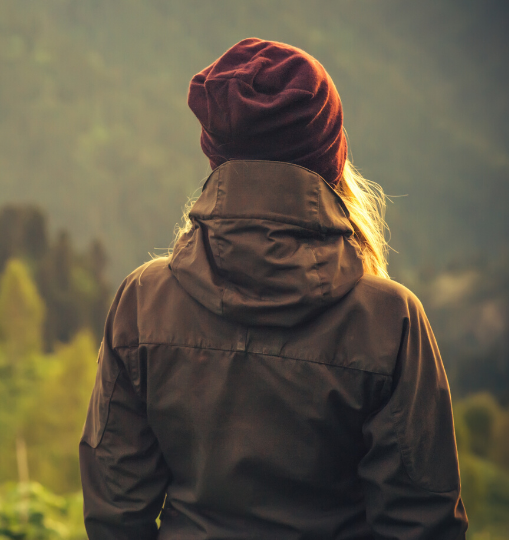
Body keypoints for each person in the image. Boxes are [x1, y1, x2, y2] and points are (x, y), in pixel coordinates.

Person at [79, 38, 468, 540]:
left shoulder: (144, 301)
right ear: (331, 157)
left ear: (216, 151)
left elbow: (115, 514)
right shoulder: (390, 320)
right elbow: (422, 525)